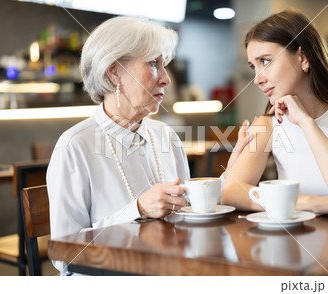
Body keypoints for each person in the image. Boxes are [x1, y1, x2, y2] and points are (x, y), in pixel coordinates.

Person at [47, 16, 252, 274]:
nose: (166, 78)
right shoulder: (75, 146)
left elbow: (184, 215)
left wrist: (229, 176)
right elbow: (65, 255)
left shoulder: (166, 136)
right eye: (154, 64)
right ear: (114, 73)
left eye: (164, 64)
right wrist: (138, 209)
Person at [222, 10, 328, 218]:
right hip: (295, 241)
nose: (257, 78)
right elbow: (231, 193)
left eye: (266, 61)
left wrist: (306, 122)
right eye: (254, 66)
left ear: (303, 58)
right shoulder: (268, 124)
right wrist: (314, 203)